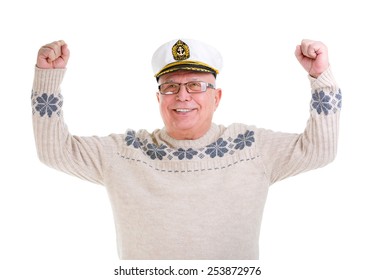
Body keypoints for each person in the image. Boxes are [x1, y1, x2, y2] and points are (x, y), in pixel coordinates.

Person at [31, 38, 341, 260]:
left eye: (195, 85)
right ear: (159, 98)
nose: (183, 96)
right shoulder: (125, 152)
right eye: (171, 86)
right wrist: (48, 79)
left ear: (216, 97)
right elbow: (54, 152)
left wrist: (320, 77)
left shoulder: (251, 147)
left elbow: (319, 150)